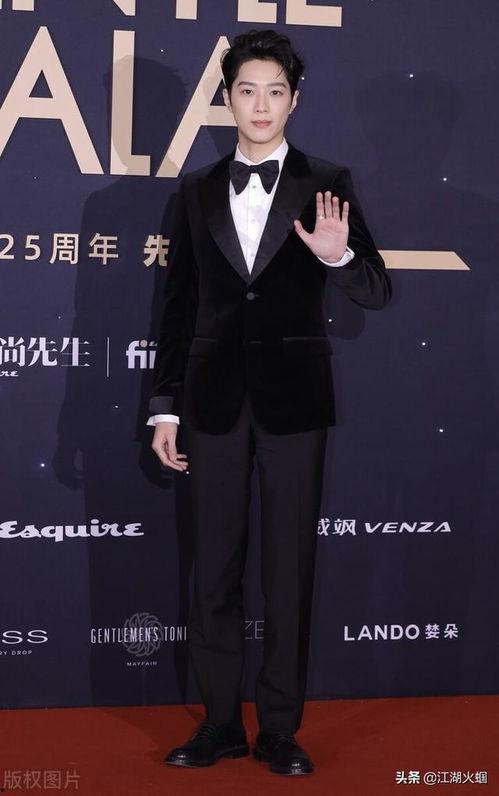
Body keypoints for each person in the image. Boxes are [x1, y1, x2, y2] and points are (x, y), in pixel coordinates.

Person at [147, 28, 392, 776]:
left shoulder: (327, 181)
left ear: (294, 99)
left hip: (294, 405)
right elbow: (178, 307)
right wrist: (165, 406)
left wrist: (338, 255)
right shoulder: (195, 191)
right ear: (227, 98)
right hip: (211, 402)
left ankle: (279, 729)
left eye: (275, 91)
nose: (260, 105)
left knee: (288, 572)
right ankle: (220, 723)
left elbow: (376, 290)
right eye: (247, 91)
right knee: (213, 571)